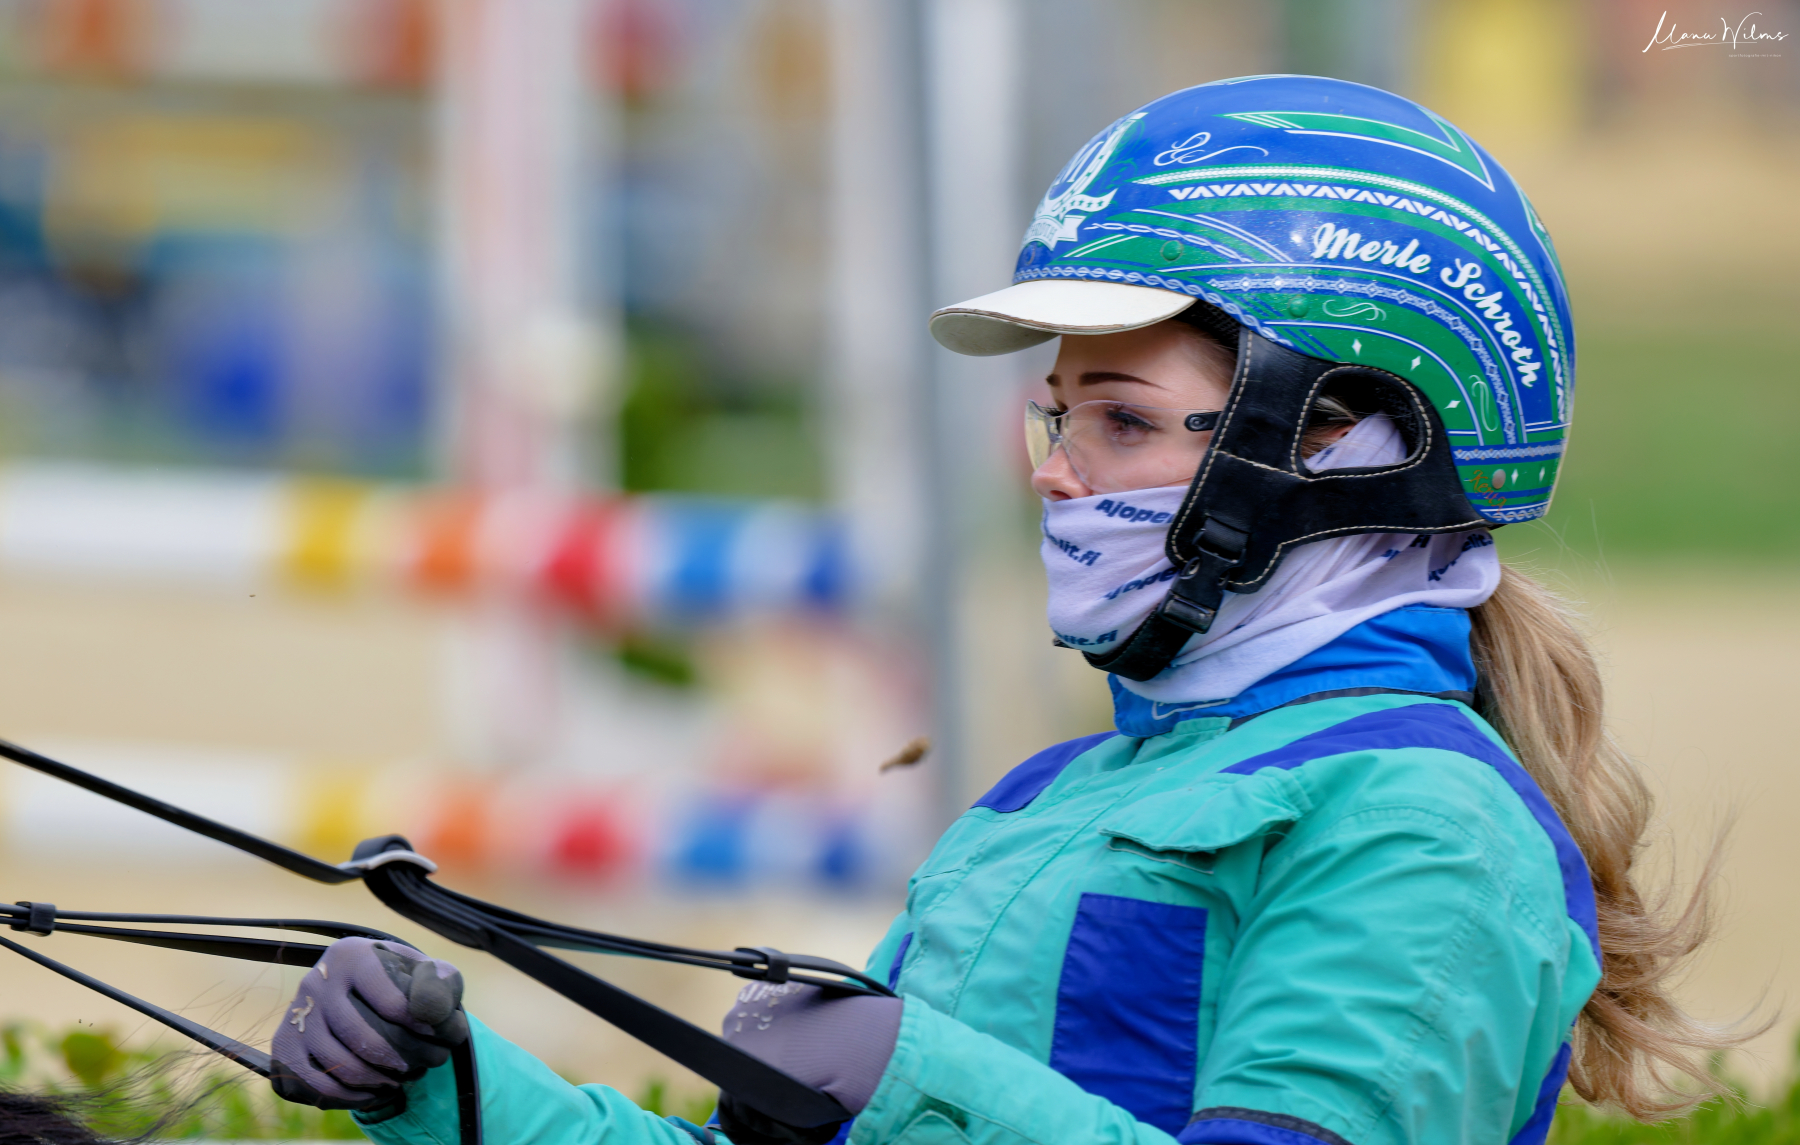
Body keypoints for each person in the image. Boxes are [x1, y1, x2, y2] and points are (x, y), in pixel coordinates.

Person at [265, 76, 1742, 1145]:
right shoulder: (1051, 797)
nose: (1052, 472)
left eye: (1122, 418)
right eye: (1058, 414)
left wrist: (910, 1084)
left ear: (1350, 444)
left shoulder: (1426, 830)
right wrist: (450, 1085)